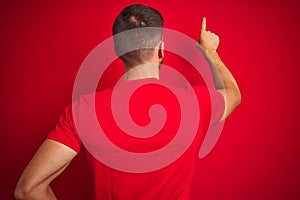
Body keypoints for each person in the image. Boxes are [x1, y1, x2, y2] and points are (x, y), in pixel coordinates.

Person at [15, 4, 241, 200]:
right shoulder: (194, 103)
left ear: (117, 50)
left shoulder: (84, 110)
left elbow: (28, 189)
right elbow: (233, 93)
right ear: (161, 49)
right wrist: (209, 51)